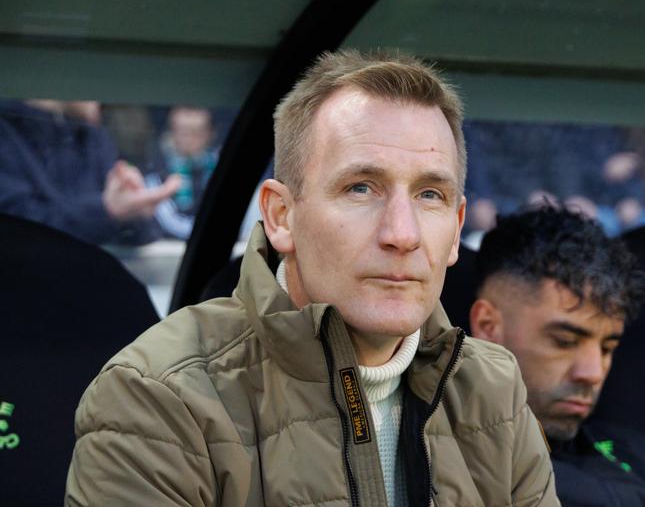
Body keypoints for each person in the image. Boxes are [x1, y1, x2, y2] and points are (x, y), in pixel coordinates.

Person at [66, 50, 559, 506]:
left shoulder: (494, 389)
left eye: (430, 195)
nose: (402, 234)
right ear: (281, 217)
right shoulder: (159, 397)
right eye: (361, 188)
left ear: (456, 229)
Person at [470, 205, 645, 507]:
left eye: (607, 348)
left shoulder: (630, 451)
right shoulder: (446, 461)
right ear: (488, 327)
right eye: (565, 342)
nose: (593, 373)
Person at [0, 99, 179, 245]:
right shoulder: (8, 134)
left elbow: (139, 236)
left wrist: (132, 210)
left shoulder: (92, 135)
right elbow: (18, 226)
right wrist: (107, 211)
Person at [146, 105, 219, 239]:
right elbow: (166, 219)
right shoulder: (158, 169)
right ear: (172, 134)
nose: (190, 139)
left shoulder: (220, 164)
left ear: (210, 134)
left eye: (197, 133)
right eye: (184, 133)